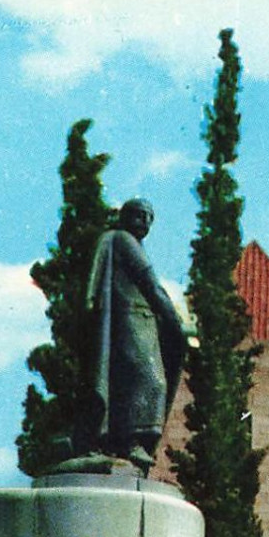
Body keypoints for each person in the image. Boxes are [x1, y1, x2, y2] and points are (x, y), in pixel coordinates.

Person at [83, 198, 187, 472]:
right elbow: (150, 284)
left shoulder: (133, 244)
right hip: (128, 321)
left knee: (140, 381)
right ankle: (131, 442)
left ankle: (128, 443)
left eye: (149, 218)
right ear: (125, 216)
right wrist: (175, 321)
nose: (145, 223)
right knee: (150, 380)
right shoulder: (123, 240)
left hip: (145, 324)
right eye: (139, 215)